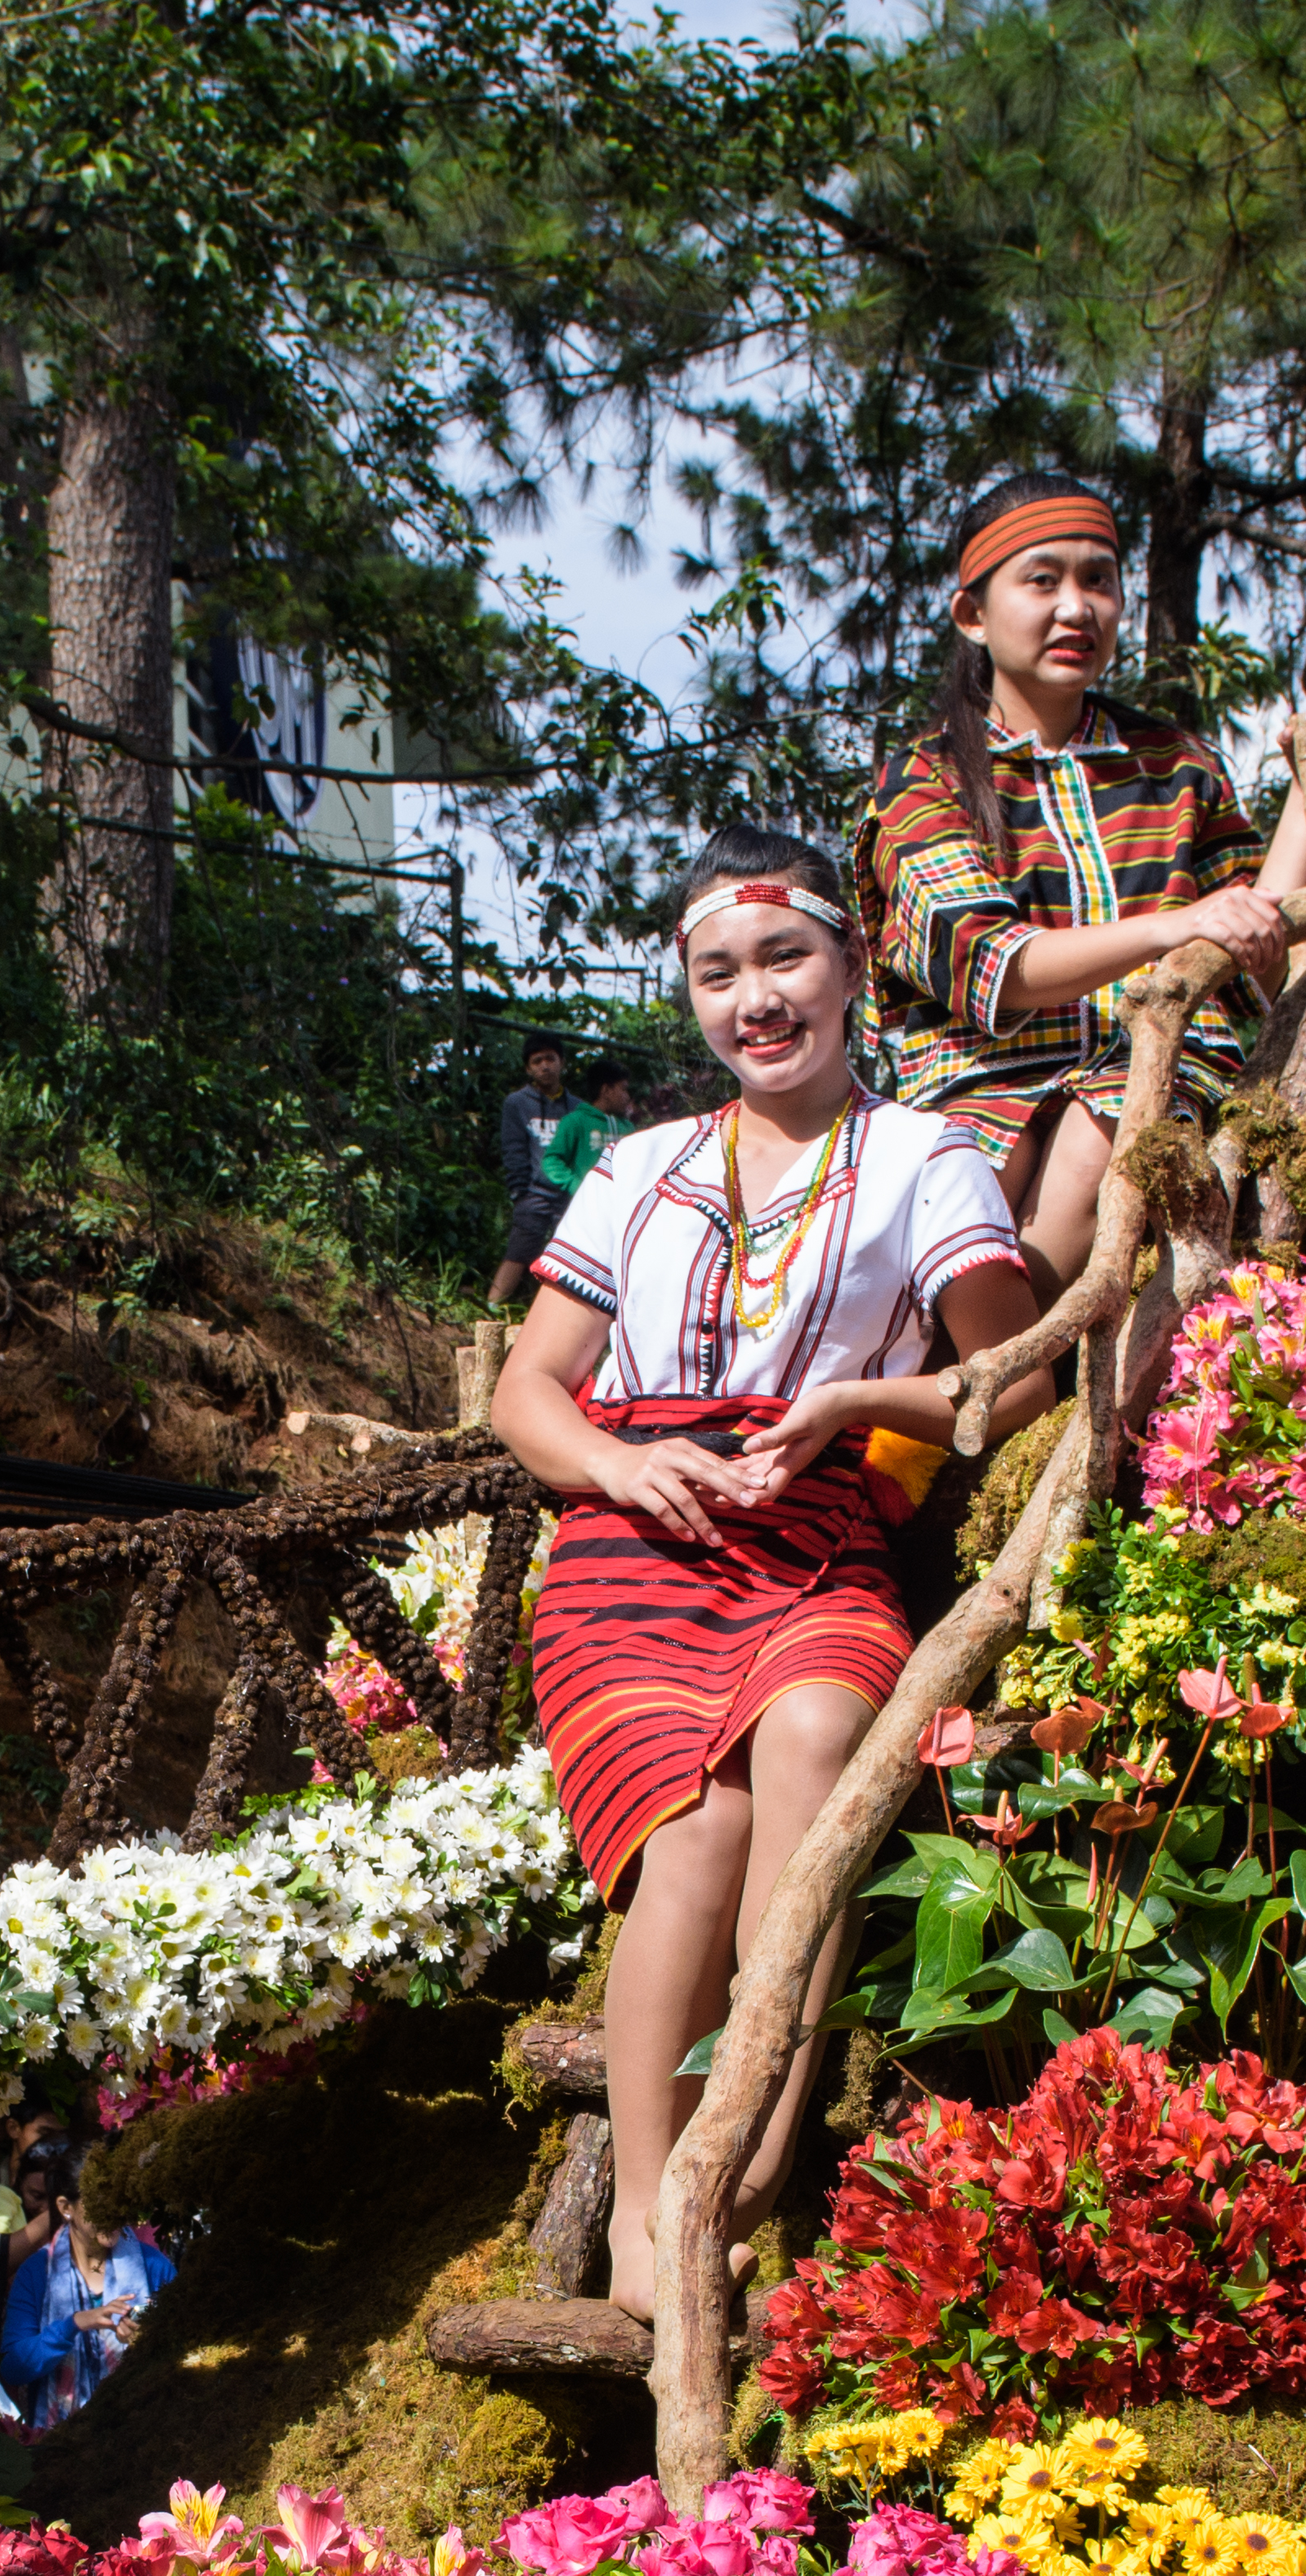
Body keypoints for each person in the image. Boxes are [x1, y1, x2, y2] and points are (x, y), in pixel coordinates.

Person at [494, 824, 1052, 2315]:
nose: (756, 998)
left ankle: (739, 2177)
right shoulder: (636, 1167)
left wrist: (862, 1404)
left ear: (853, 966)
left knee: (814, 1736)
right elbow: (526, 1391)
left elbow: (1022, 1379)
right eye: (717, 972)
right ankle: (641, 2227)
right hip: (634, 1551)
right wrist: (617, 1463)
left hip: (818, 1542)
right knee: (693, 1833)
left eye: (786, 957)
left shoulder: (931, 1157)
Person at [854, 472, 1306, 1282]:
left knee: (1104, 1130)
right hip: (975, 1079)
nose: (1076, 607)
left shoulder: (1177, 763)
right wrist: (1176, 923)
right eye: (1042, 580)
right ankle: (947, 1382)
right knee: (972, 1171)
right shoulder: (924, 779)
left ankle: (992, 1385)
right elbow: (994, 965)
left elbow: (1253, 944)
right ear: (971, 614)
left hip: (1157, 1073)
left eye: (1098, 580)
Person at [0, 2166, 170, 2424]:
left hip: (145, 2431)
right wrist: (74, 2324)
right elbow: (13, 2366)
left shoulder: (154, 2266)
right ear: (66, 2207)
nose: (115, 2214)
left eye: (120, 2202)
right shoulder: (36, 2273)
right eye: (101, 2204)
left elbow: (190, 2345)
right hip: (58, 2443)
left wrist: (147, 2338)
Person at [497, 1051, 641, 1299]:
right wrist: (577, 1185)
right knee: (534, 1252)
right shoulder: (575, 1121)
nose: (627, 1097)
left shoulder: (628, 1129)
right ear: (606, 1090)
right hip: (579, 1207)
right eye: (623, 1090)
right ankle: (494, 1303)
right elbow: (552, 1160)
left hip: (617, 1212)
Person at [483, 1034, 576, 1287]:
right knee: (519, 1252)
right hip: (533, 1193)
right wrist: (519, 1192)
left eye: (550, 1059)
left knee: (567, 1259)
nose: (545, 1066)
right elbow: (513, 1149)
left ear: (562, 1062)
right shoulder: (517, 1103)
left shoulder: (577, 1109)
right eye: (537, 1061)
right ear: (528, 1068)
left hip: (569, 1196)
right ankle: (493, 1306)